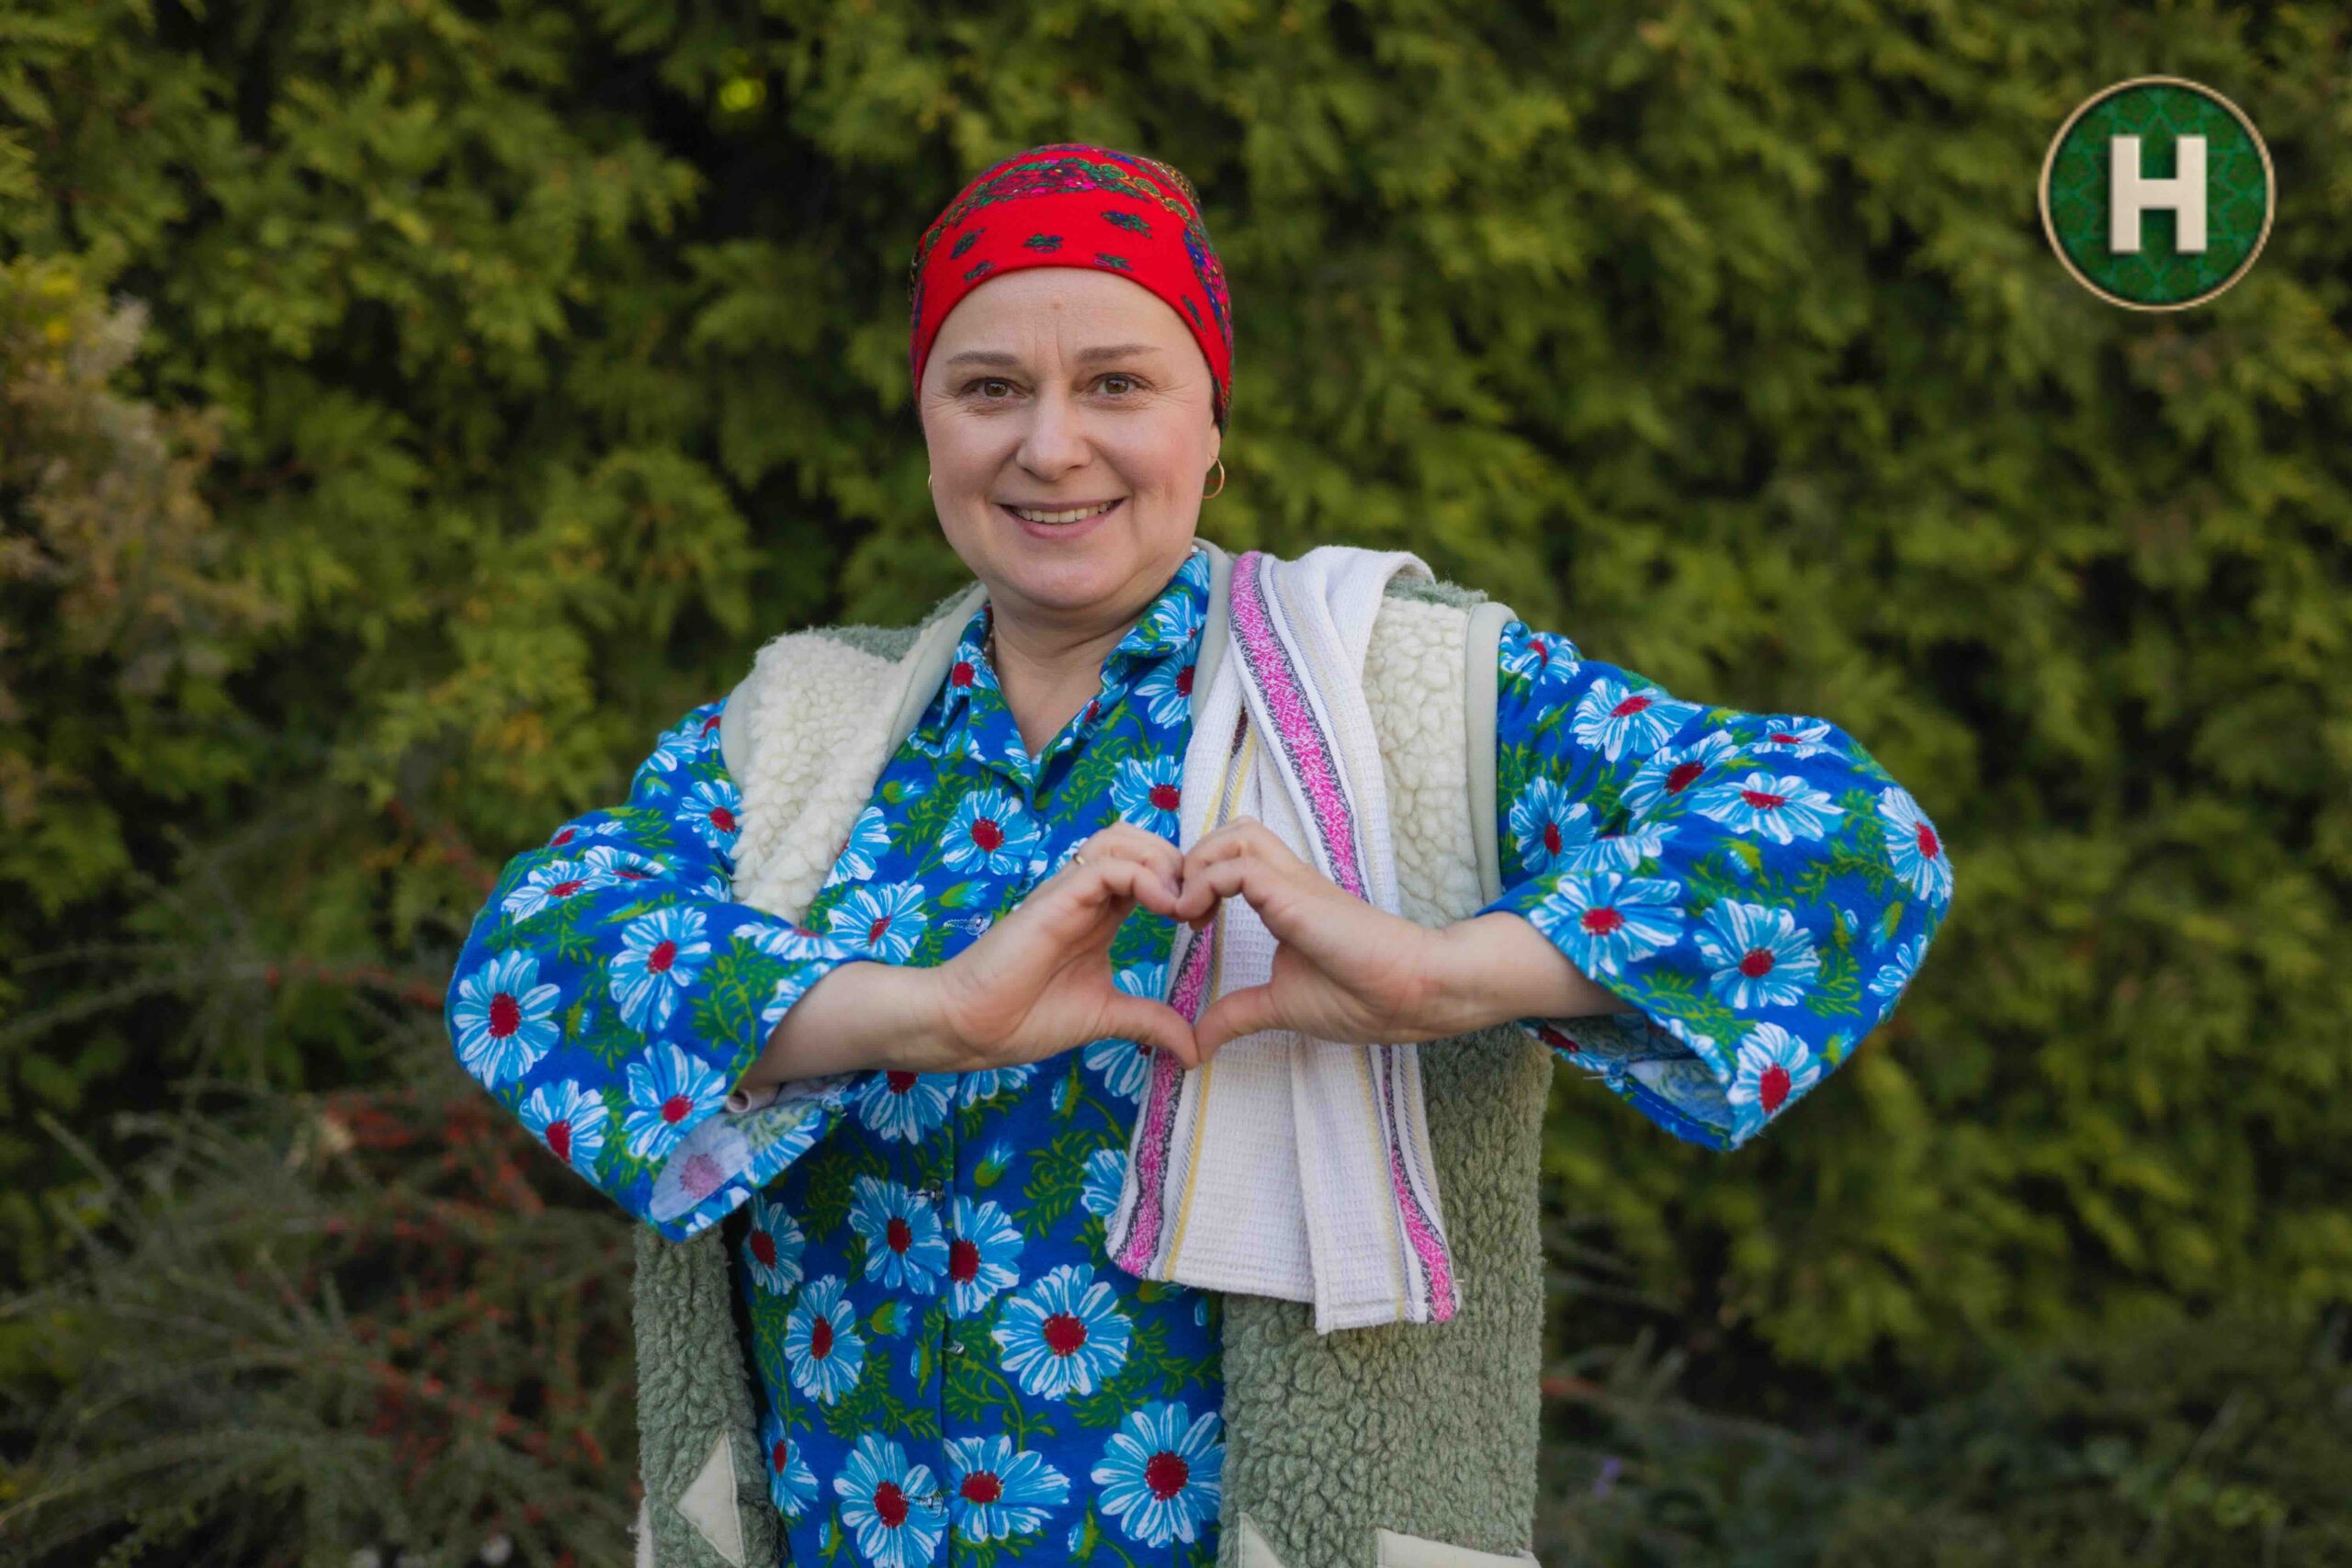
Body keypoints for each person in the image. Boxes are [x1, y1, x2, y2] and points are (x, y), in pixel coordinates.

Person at [445, 142, 1955, 1568]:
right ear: (929, 424)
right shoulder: (807, 724)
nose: (1050, 445)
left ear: (1210, 425)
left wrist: (1443, 979)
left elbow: (1844, 836)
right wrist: (935, 1014)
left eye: (1117, 382)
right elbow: (536, 961)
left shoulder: (1396, 692)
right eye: (989, 387)